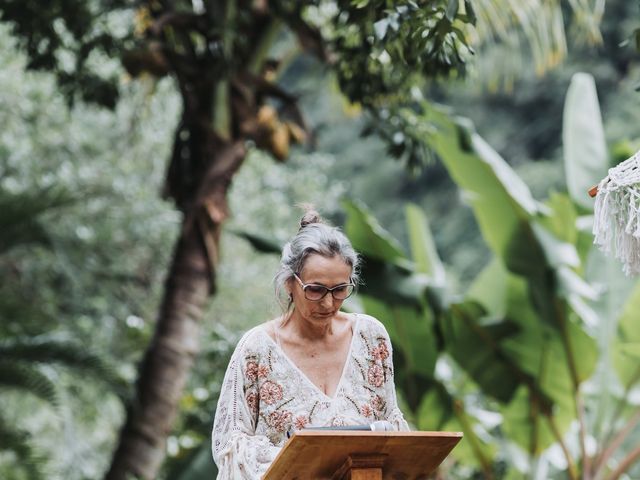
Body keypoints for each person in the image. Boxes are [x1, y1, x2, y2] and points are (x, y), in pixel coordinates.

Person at [211, 209, 409, 479]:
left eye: (340, 289)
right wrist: (305, 456)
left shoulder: (371, 336)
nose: (328, 304)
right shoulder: (256, 349)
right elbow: (232, 450)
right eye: (315, 290)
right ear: (290, 283)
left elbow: (391, 431)